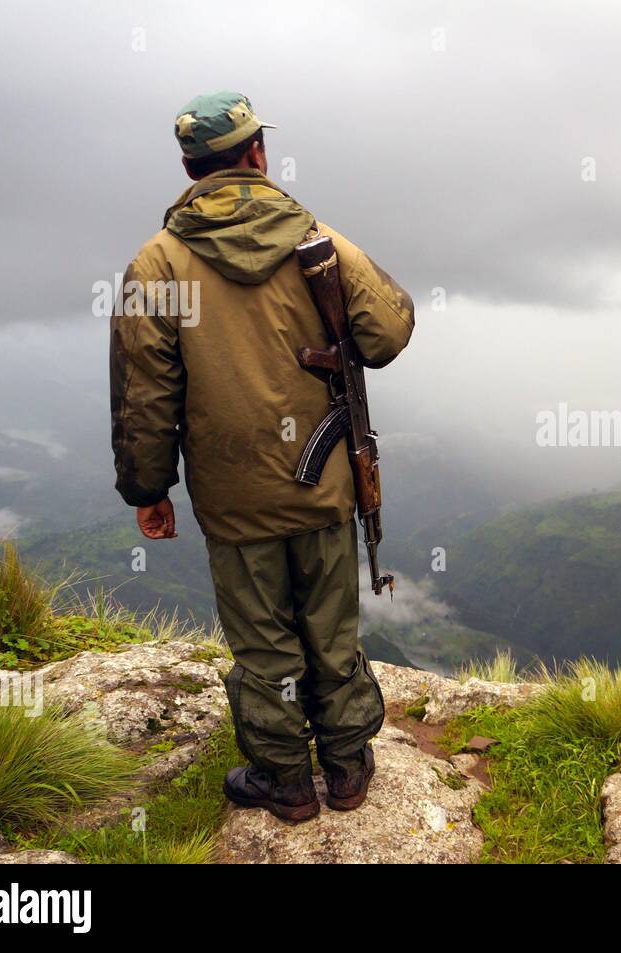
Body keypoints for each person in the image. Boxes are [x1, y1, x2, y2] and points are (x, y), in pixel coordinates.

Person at [109, 91, 414, 821]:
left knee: (263, 641)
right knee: (332, 631)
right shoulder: (318, 242)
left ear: (189, 167)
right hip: (325, 482)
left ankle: (285, 779)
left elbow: (144, 396)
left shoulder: (157, 265)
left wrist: (149, 488)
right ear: (256, 156)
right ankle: (346, 768)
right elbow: (390, 332)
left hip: (231, 494)